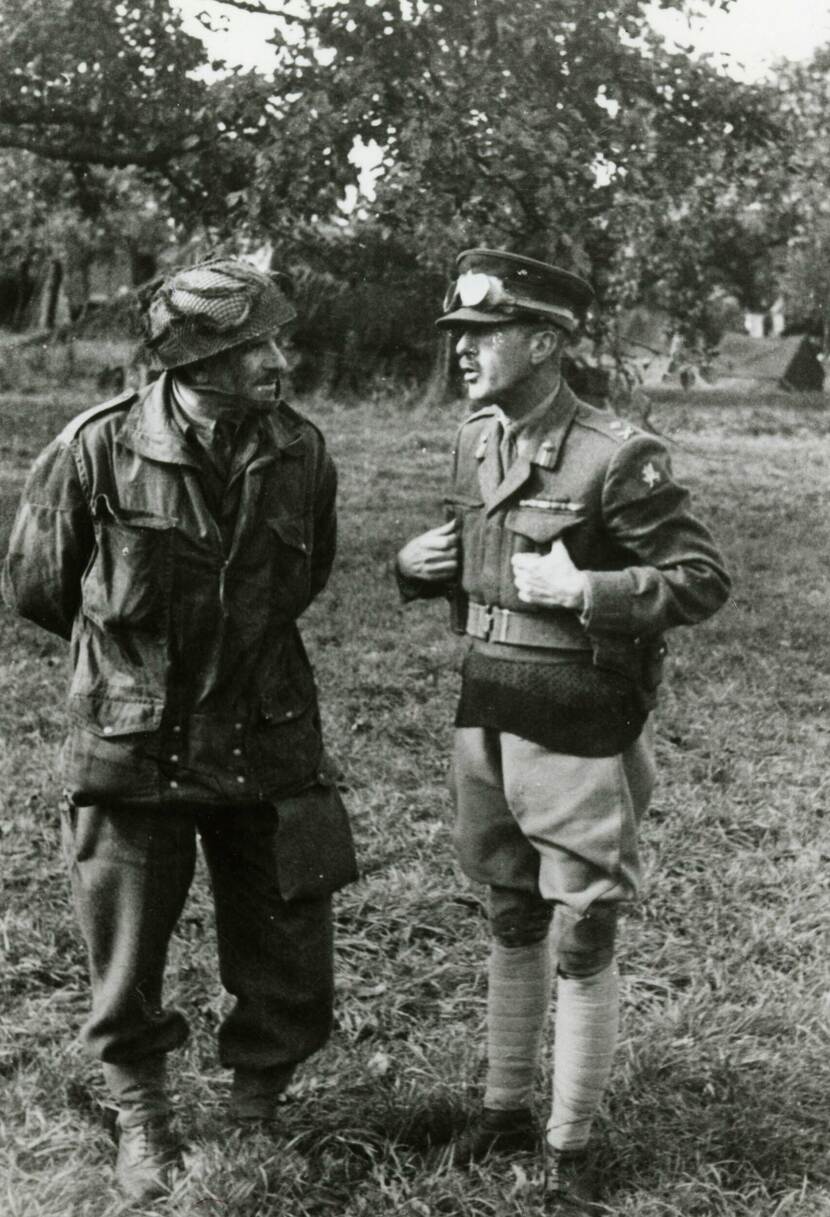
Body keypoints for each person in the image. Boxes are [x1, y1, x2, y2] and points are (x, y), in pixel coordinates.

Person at [2, 258, 357, 1202]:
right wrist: (137, 670)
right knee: (124, 945)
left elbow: (304, 572)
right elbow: (40, 587)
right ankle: (143, 1116)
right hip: (136, 737)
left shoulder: (302, 450)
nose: (279, 361)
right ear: (198, 361)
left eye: (276, 340)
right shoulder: (96, 448)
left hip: (266, 724)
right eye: (256, 348)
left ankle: (257, 1103)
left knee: (289, 937)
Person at [396, 249, 730, 1208]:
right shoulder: (474, 436)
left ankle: (570, 1146)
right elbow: (470, 561)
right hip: (487, 705)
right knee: (508, 907)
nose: (462, 353)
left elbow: (702, 578)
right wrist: (415, 566)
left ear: (544, 341)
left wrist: (591, 587)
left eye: (483, 335)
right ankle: (504, 1110)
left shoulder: (614, 452)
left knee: (584, 928)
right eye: (457, 337)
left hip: (578, 716)